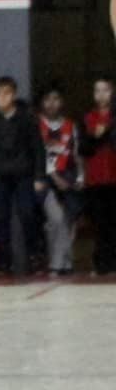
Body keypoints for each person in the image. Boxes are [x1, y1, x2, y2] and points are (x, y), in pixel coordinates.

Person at [0, 76, 44, 274]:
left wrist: (39, 176)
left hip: (24, 175)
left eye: (6, 93)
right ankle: (3, 263)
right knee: (1, 220)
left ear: (13, 95)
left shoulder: (27, 118)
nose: (2, 98)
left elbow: (37, 148)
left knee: (28, 215)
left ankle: (35, 258)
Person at [35, 84, 82, 276]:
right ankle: (56, 264)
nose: (51, 103)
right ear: (42, 103)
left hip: (68, 175)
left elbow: (77, 153)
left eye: (55, 99)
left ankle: (66, 264)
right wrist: (54, 176)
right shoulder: (36, 125)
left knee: (69, 220)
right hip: (44, 178)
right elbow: (37, 154)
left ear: (61, 102)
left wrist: (80, 176)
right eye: (47, 99)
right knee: (56, 218)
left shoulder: (71, 125)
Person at [82, 76, 116, 275]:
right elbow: (84, 149)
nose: (101, 95)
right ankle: (102, 262)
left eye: (105, 90)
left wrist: (107, 132)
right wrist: (97, 136)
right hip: (96, 179)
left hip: (114, 176)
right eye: (97, 91)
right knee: (100, 223)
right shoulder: (88, 118)